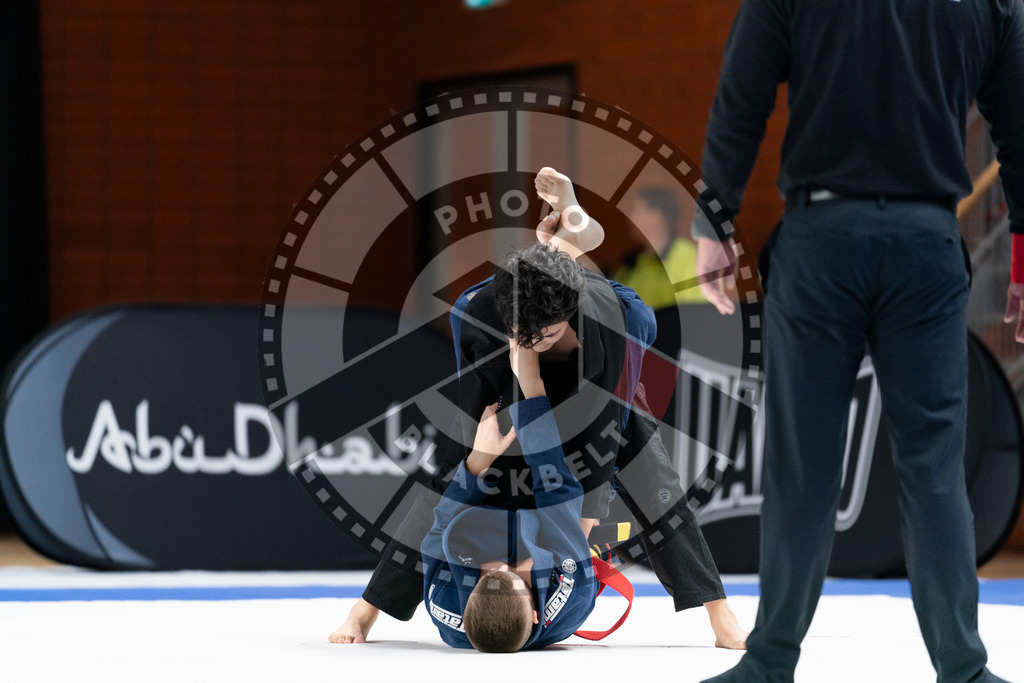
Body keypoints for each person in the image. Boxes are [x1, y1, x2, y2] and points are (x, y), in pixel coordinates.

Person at [693, 1, 1024, 681]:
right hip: (925, 242)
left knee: (802, 465)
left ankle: (770, 661)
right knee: (933, 466)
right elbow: (1019, 125)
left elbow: (742, 95)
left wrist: (714, 219)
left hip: (822, 241)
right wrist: (1022, 251)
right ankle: (963, 668)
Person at [329, 167, 747, 649]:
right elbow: (459, 458)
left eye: (543, 337)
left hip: (604, 344)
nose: (534, 345)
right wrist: (480, 454)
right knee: (452, 468)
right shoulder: (480, 317)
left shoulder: (612, 327)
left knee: (647, 467)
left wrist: (579, 528)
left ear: (565, 319)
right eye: (524, 337)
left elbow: (599, 452)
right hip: (506, 334)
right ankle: (366, 611)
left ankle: (720, 614)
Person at [615, 186, 705, 309]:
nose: (629, 216)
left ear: (657, 215)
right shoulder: (632, 263)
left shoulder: (686, 255)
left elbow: (694, 312)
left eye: (636, 210)